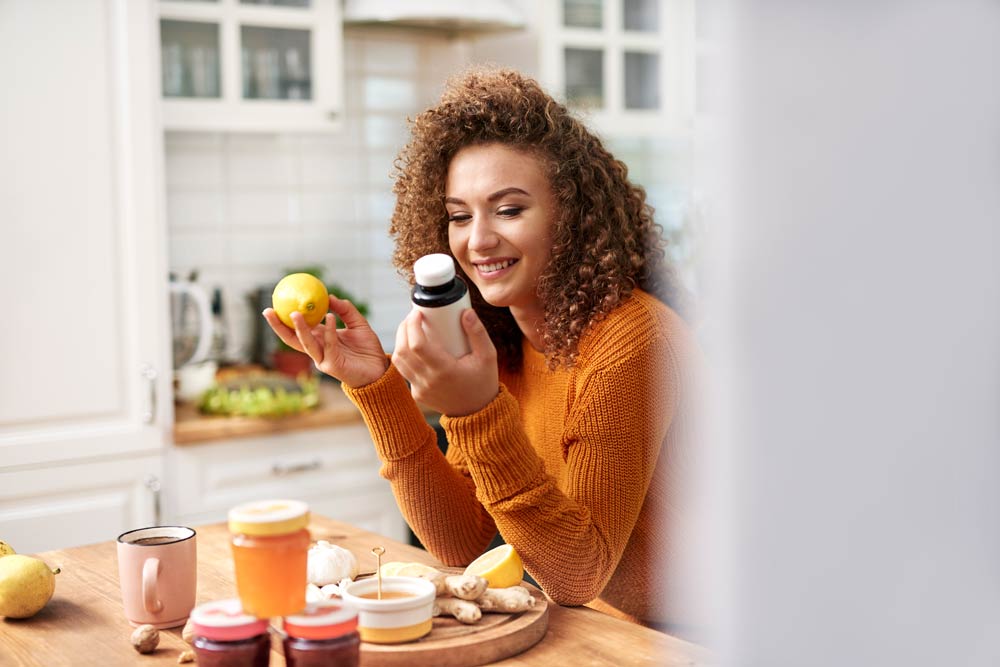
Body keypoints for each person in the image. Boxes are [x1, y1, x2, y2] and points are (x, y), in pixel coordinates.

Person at [264, 67, 704, 631]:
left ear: (572, 216)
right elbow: (464, 540)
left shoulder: (633, 341)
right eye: (458, 216)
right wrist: (378, 388)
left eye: (510, 209)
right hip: (607, 629)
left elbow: (578, 574)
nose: (478, 240)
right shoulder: (501, 336)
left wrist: (474, 409)